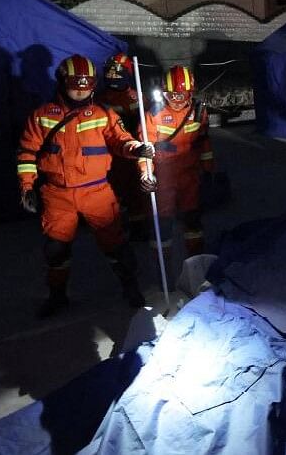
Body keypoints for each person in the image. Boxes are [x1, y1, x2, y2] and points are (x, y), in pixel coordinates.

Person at [15, 54, 155, 317]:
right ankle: (57, 296)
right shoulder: (42, 116)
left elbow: (120, 139)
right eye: (75, 86)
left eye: (86, 87)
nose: (80, 93)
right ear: (61, 82)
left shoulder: (103, 113)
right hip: (58, 194)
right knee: (56, 250)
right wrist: (27, 186)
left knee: (116, 245)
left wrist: (136, 149)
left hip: (97, 191)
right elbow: (26, 152)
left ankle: (131, 287)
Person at [140, 65, 215, 263]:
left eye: (182, 95)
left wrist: (208, 171)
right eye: (172, 95)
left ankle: (196, 262)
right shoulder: (152, 114)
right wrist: (145, 173)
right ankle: (163, 268)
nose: (177, 100)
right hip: (164, 178)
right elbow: (144, 149)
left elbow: (203, 143)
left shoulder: (198, 111)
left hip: (190, 176)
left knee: (192, 221)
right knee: (162, 225)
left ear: (190, 92)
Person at [96, 53, 148, 239]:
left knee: (135, 189)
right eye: (110, 73)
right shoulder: (100, 99)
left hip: (133, 148)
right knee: (113, 190)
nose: (113, 76)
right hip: (109, 152)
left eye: (117, 72)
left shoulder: (138, 96)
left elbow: (147, 122)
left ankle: (138, 226)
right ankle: (114, 226)